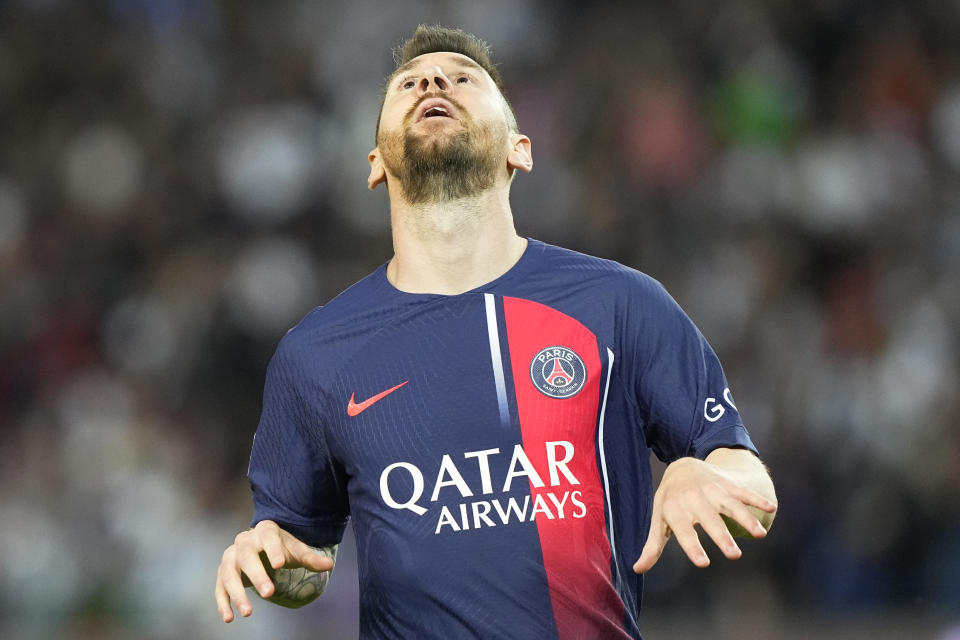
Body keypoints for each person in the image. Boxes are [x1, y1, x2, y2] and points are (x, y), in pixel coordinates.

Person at [214, 24, 777, 639]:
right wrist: (269, 562)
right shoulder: (315, 354)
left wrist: (704, 472)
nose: (432, 81)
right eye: (410, 82)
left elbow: (752, 484)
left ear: (521, 149)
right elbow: (303, 566)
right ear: (374, 163)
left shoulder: (619, 303)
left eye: (463, 78)